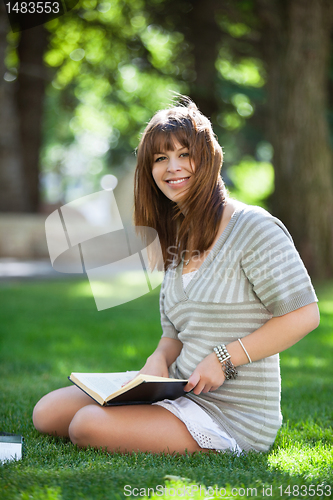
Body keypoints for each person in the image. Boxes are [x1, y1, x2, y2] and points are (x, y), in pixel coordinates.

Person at [33, 97, 319, 454]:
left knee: (85, 425)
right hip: (178, 388)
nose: (173, 167)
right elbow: (175, 334)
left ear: (210, 159)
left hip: (232, 413)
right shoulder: (177, 237)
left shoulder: (254, 228)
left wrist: (225, 357)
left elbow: (304, 314)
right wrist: (159, 360)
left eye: (185, 154)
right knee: (47, 413)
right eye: (160, 158)